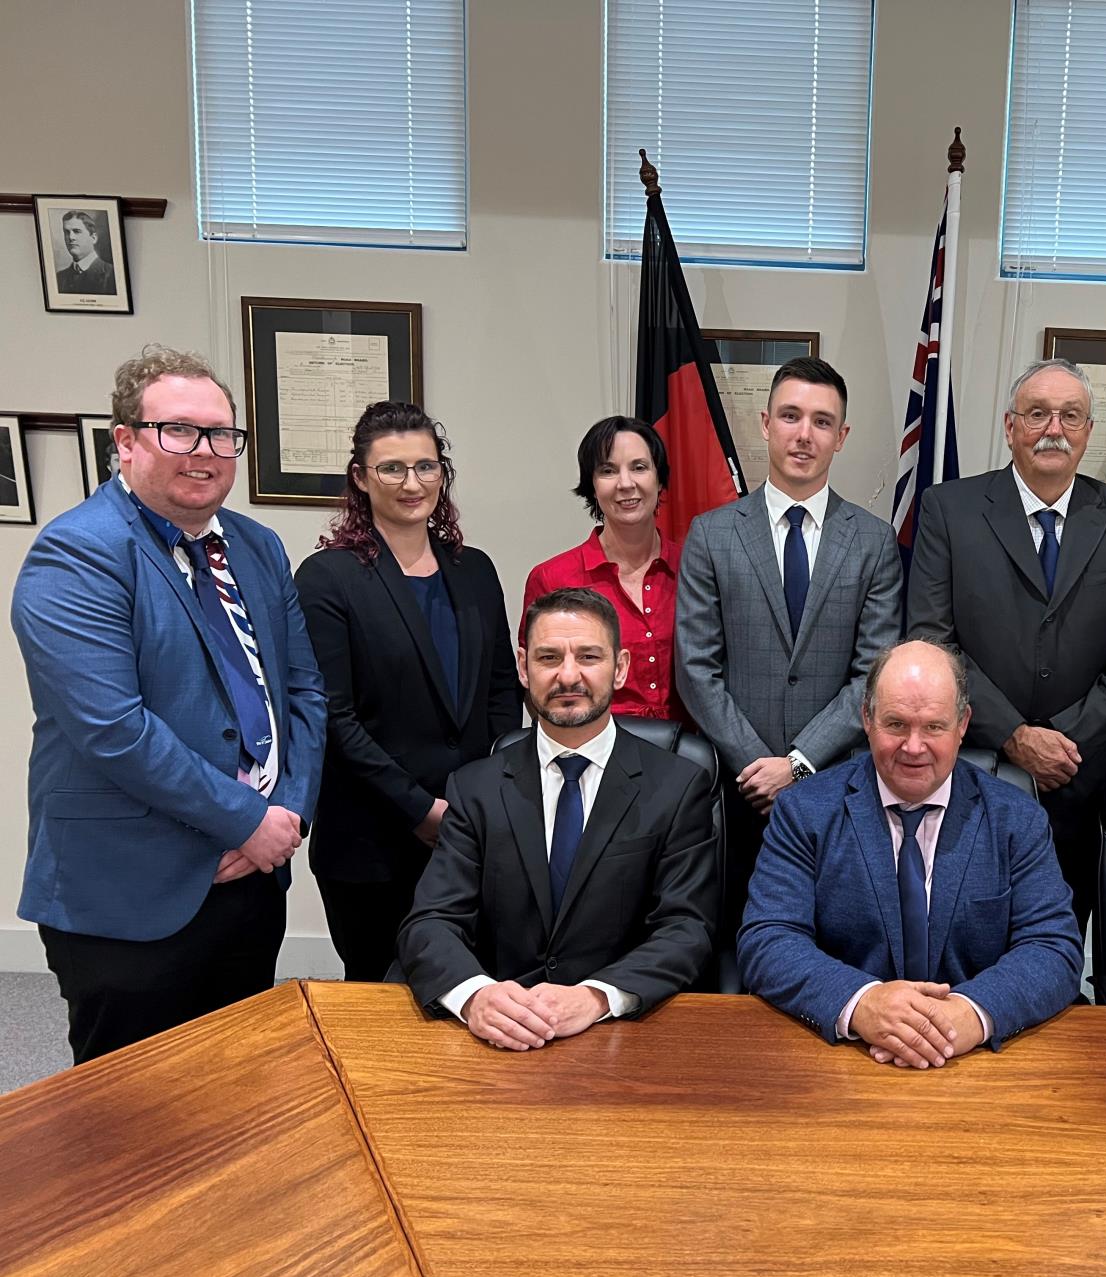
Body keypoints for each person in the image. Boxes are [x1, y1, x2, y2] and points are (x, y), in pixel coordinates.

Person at [11, 345, 326, 1062]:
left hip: (251, 881)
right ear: (125, 441)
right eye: (178, 431)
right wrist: (248, 819)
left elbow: (303, 693)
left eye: (221, 434)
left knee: (234, 1086)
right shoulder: (76, 555)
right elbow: (114, 730)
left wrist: (288, 815)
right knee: (129, 1119)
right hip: (129, 893)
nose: (205, 452)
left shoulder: (257, 546)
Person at [397, 587, 718, 1050]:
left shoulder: (678, 784)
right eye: (549, 658)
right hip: (498, 1030)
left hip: (621, 1034)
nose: (569, 675)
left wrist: (595, 997)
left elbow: (686, 928)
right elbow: (431, 920)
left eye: (588, 656)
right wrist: (475, 996)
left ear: (621, 667)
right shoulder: (475, 787)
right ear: (524, 668)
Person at [907, 357, 1106, 929]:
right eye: (1038, 414)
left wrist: (1062, 738)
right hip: (975, 762)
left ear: (1088, 431)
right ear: (1010, 426)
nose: (1054, 428)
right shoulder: (949, 509)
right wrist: (1016, 736)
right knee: (964, 924)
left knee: (1064, 931)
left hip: (1083, 770)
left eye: (1071, 416)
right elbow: (931, 639)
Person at [738, 640, 1082, 1067]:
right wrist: (861, 1003)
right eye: (896, 724)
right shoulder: (805, 811)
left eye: (934, 727)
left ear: (963, 724)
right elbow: (768, 938)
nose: (914, 747)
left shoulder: (1017, 818)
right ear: (867, 719)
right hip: (842, 1059)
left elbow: (1053, 948)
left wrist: (969, 1014)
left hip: (977, 1064)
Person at [676, 355, 902, 935]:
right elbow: (697, 668)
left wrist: (798, 766)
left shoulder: (874, 542)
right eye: (791, 416)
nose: (805, 435)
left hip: (838, 786)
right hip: (736, 788)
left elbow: (873, 677)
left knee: (833, 942)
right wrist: (759, 768)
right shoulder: (712, 533)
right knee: (735, 941)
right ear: (765, 423)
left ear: (841, 437)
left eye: (822, 422)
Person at [295, 402, 521, 981]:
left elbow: (501, 690)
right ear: (360, 477)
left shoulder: (475, 570)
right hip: (371, 839)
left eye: (425, 466)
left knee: (473, 989)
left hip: (472, 827)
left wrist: (486, 796)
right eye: (392, 468)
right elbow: (332, 717)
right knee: (378, 998)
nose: (411, 483)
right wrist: (419, 809)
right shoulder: (328, 578)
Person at [521, 416, 683, 722]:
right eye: (608, 470)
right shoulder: (553, 578)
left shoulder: (696, 569)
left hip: (688, 755)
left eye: (639, 467)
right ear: (592, 486)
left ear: (659, 479)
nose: (625, 484)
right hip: (594, 753)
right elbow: (539, 686)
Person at [55, 210, 117, 295]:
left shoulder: (112, 274)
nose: (71, 237)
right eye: (66, 232)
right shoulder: (59, 278)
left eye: (77, 231)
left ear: (93, 238)